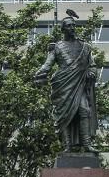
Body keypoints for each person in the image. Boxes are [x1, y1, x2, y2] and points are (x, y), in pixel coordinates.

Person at [33, 16, 99, 153]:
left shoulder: (85, 46)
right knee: (64, 115)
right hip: (63, 85)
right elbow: (47, 65)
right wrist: (38, 73)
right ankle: (67, 146)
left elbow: (92, 65)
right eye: (69, 26)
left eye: (73, 25)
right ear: (63, 29)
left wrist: (92, 72)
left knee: (84, 110)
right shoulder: (57, 47)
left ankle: (86, 144)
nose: (72, 28)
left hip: (80, 84)